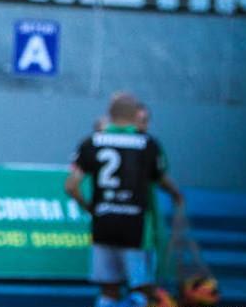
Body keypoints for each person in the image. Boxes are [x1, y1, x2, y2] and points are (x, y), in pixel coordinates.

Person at [64, 92, 184, 307]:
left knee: (108, 288)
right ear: (135, 116)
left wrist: (90, 208)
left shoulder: (92, 142)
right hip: (135, 226)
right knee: (142, 287)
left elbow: (71, 186)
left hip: (103, 223)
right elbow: (160, 178)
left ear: (110, 114)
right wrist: (176, 194)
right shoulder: (147, 144)